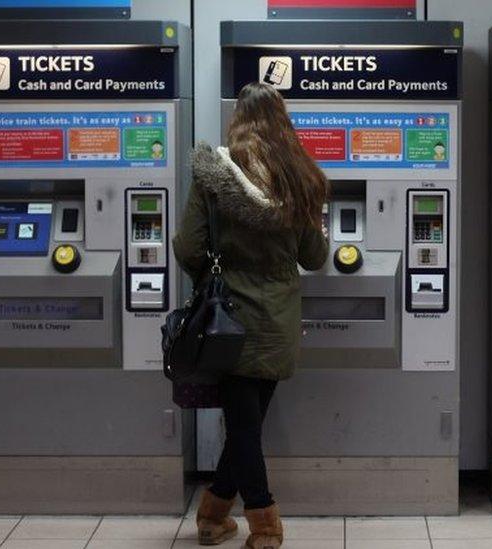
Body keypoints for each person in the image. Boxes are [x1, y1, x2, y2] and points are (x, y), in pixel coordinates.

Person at [173, 82, 330, 547]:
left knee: (244, 426)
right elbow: (316, 255)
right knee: (247, 424)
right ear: (283, 121)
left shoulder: (213, 175)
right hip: (277, 318)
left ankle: (245, 521)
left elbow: (188, 246)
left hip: (227, 320)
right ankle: (240, 520)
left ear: (237, 121)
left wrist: (216, 273)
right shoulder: (301, 178)